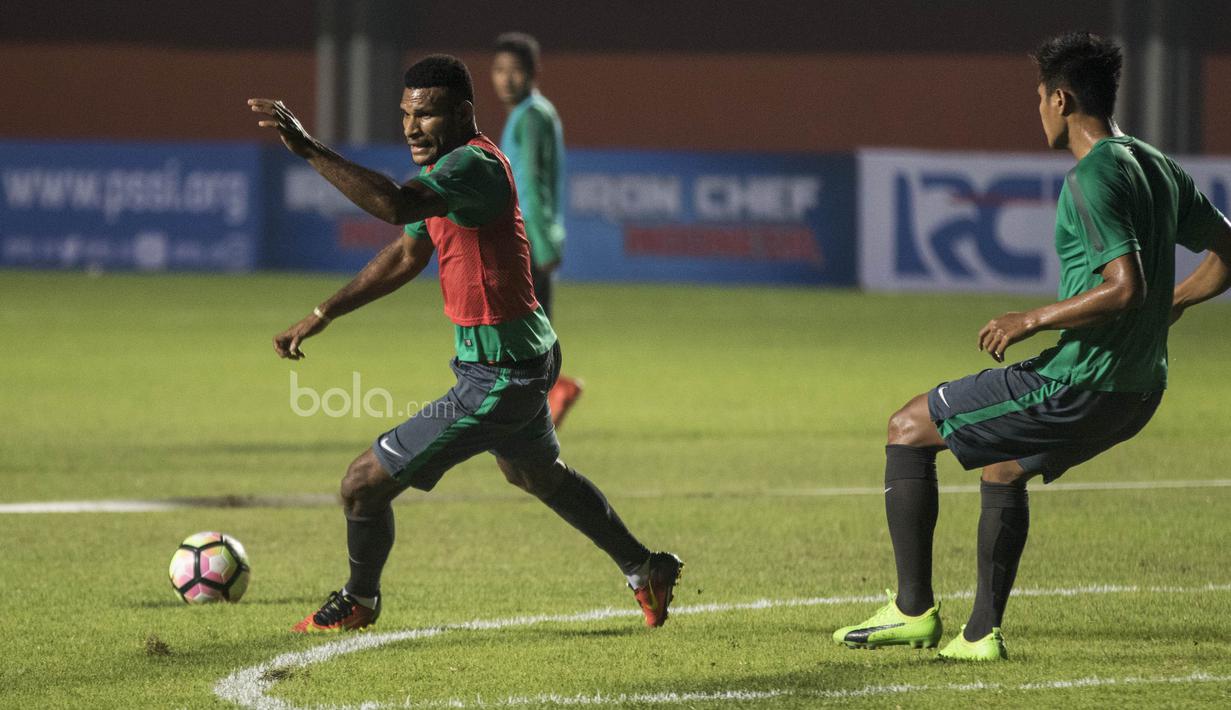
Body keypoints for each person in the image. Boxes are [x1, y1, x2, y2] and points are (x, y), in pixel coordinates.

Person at [249, 54, 682, 633]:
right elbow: (408, 251)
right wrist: (325, 312)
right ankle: (644, 567)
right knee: (537, 475)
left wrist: (310, 151)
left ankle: (359, 600)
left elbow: (395, 205)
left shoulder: (474, 167)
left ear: (463, 112)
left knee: (361, 487)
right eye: (405, 115)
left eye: (426, 115)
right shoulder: (447, 174)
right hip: (519, 357)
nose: (410, 128)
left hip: (500, 373)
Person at [832, 32, 1231, 661]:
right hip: (1140, 389)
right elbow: (1225, 249)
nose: (1038, 112)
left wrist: (1034, 318)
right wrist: (1173, 305)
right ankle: (979, 634)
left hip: (1081, 381)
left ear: (1062, 98)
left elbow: (1124, 286)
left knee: (907, 426)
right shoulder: (1155, 165)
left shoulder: (1092, 177)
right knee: (1005, 463)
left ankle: (912, 611)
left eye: (1040, 99)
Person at [491, 32, 583, 428]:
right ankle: (548, 394)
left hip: (526, 238)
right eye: (499, 71)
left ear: (533, 73)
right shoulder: (536, 113)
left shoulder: (529, 116)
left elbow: (530, 184)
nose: (506, 80)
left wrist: (541, 244)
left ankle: (541, 401)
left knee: (520, 332)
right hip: (531, 236)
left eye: (515, 71)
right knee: (530, 328)